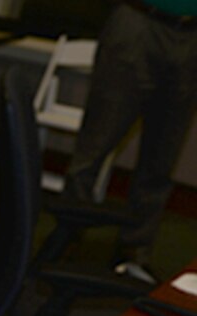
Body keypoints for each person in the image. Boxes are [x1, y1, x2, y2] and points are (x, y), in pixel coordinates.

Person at [64, 0, 197, 284]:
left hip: (191, 37)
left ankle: (135, 250)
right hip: (137, 23)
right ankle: (67, 239)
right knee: (95, 147)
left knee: (161, 159)